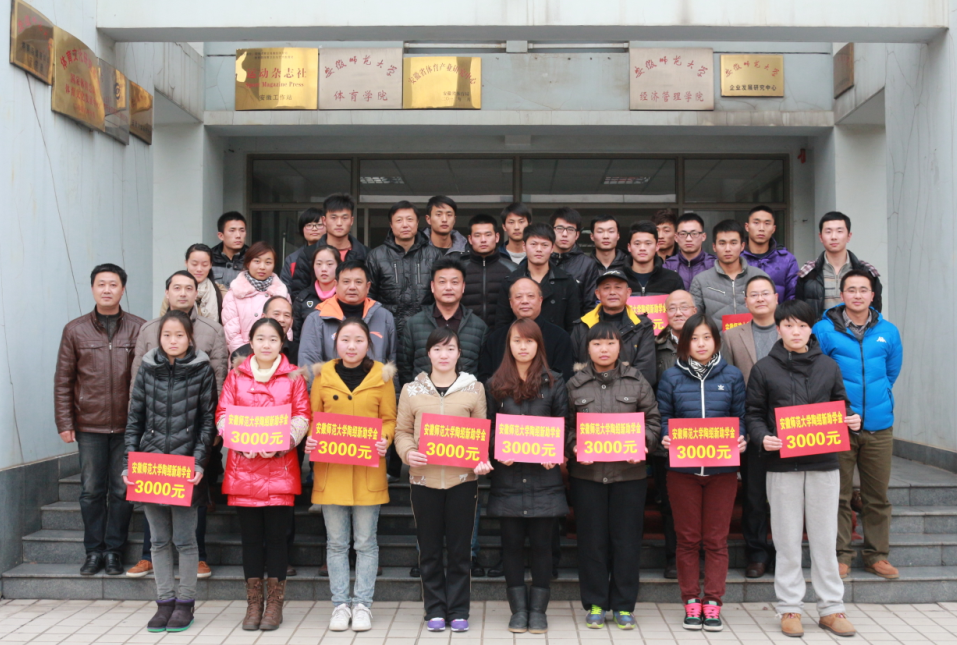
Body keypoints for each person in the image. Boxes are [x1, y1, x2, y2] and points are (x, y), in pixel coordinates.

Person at [746, 299, 861, 638]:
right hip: (782, 466)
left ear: (812, 329)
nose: (795, 331)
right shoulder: (764, 369)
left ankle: (831, 608)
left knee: (825, 539)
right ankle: (789, 608)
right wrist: (762, 437)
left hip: (824, 463)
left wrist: (852, 419)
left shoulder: (828, 365)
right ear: (778, 328)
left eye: (802, 325)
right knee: (786, 539)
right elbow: (753, 413)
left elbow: (842, 405)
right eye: (788, 325)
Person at [126, 271, 228, 581]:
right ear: (167, 292)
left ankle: (198, 559)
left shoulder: (212, 331)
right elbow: (137, 393)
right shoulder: (148, 332)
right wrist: (131, 454)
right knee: (155, 510)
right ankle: (148, 557)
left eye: (188, 287)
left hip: (191, 437)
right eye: (176, 287)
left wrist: (212, 433)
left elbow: (218, 377)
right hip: (153, 442)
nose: (173, 340)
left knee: (191, 511)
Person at [123, 311, 216, 634]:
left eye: (179, 335)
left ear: (190, 337)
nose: (173, 341)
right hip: (151, 467)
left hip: (185, 467)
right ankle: (164, 602)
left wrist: (200, 461)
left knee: (185, 541)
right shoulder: (147, 368)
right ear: (159, 337)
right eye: (167, 335)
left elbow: (207, 421)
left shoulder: (202, 369)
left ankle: (185, 604)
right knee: (159, 541)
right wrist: (128, 462)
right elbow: (134, 419)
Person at [217, 318, 310, 632]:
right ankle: (254, 603)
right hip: (243, 469)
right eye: (260, 338)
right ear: (251, 342)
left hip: (279, 469)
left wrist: (282, 442)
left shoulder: (294, 376)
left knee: (277, 540)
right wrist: (240, 440)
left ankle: (275, 605)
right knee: (251, 541)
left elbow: (302, 415)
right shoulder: (236, 376)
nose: (266, 344)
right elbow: (223, 414)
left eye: (273, 339)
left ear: (282, 343)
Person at [566, 323, 661, 630]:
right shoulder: (575, 385)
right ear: (588, 349)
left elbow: (654, 421)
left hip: (628, 476)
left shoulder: (636, 381)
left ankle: (623, 606)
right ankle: (595, 603)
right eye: (597, 344)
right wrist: (574, 446)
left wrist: (643, 444)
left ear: (620, 347)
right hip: (588, 476)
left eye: (610, 343)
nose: (604, 349)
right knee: (591, 542)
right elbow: (565, 426)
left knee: (627, 542)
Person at [305, 318, 397, 632]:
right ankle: (340, 604)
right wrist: (312, 439)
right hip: (333, 471)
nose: (352, 346)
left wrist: (384, 439)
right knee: (336, 543)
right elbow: (313, 417)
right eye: (345, 340)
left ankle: (363, 605)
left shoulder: (382, 375)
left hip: (368, 471)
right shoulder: (323, 375)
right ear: (336, 342)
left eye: (358, 340)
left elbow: (389, 419)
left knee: (366, 542)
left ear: (368, 343)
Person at [657, 314, 747, 632]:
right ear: (684, 343)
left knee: (716, 540)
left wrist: (742, 437)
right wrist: (665, 435)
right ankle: (691, 601)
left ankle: (713, 602)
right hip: (682, 471)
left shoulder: (732, 376)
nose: (701, 343)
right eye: (694, 338)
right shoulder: (671, 377)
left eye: (707, 337)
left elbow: (740, 416)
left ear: (716, 341)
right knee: (687, 539)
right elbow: (664, 416)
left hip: (722, 471)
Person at [394, 328, 489, 633]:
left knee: (461, 551)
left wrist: (481, 459)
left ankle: (459, 609)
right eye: (437, 349)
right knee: (430, 549)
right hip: (424, 481)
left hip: (463, 481)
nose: (444, 355)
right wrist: (408, 453)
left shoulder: (474, 389)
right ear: (428, 353)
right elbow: (402, 432)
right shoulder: (411, 390)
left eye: (450, 349)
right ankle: (434, 608)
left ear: (459, 353)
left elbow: (481, 434)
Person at [54, 264, 145, 576]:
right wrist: (65, 422)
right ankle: (94, 551)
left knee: (121, 490)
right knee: (91, 490)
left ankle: (114, 551)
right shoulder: (74, 330)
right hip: (89, 424)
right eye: (101, 284)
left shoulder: (139, 328)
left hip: (128, 426)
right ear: (93, 288)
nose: (107, 289)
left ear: (123, 289)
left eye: (113, 284)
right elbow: (63, 380)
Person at [813, 270, 903, 580]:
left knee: (877, 496)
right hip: (838, 425)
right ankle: (841, 555)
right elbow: (817, 373)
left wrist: (879, 398)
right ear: (841, 295)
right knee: (837, 495)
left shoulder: (888, 331)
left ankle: (877, 555)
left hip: (879, 425)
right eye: (851, 289)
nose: (857, 295)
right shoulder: (824, 329)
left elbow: (891, 372)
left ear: (872, 295)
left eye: (863, 290)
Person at [486, 319, 570, 634]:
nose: (523, 347)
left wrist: (556, 450)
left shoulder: (554, 382)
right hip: (508, 478)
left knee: (542, 547)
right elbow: (488, 427)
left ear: (538, 345)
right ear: (508, 345)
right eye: (517, 341)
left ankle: (538, 611)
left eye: (529, 341)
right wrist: (497, 447)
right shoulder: (494, 383)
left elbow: (563, 423)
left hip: (544, 480)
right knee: (510, 546)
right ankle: (518, 611)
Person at [722, 276, 779, 579]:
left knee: (784, 496)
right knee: (754, 495)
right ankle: (756, 553)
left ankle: (783, 552)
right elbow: (728, 382)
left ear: (776, 297)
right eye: (753, 295)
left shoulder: (792, 330)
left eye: (765, 293)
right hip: (751, 424)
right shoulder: (732, 336)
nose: (760, 299)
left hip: (789, 427)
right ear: (745, 301)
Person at [652, 289, 698, 580]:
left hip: (706, 437)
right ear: (665, 313)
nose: (678, 313)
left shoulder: (710, 341)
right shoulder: (654, 346)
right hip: (667, 438)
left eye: (684, 307)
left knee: (701, 504)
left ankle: (700, 558)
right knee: (670, 503)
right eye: (672, 308)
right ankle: (674, 558)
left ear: (695, 311)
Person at [399, 257, 488, 387]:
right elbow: (404, 369)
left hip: (465, 397)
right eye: (442, 282)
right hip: (424, 396)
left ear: (463, 287)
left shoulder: (479, 327)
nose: (448, 287)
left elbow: (484, 372)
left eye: (454, 282)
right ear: (432, 286)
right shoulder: (414, 324)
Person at [298, 260, 397, 372]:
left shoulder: (384, 317)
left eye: (358, 282)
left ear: (368, 286)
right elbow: (308, 364)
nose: (352, 287)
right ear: (336, 285)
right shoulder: (316, 319)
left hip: (376, 383)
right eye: (346, 282)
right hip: (330, 383)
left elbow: (392, 362)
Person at [367, 201, 444, 337]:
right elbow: (369, 295)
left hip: (426, 329)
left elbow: (441, 295)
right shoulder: (376, 256)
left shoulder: (434, 255)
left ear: (417, 223)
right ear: (391, 225)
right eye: (399, 220)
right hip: (387, 330)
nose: (405, 225)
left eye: (409, 219)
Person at [478, 278, 575, 384]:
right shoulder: (496, 338)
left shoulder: (559, 337)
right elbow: (486, 378)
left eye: (530, 296)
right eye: (518, 296)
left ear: (540, 300)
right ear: (511, 302)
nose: (524, 301)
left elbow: (563, 379)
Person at [570, 269, 657, 387]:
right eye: (606, 288)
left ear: (628, 292)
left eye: (618, 287)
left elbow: (646, 371)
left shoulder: (642, 326)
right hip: (589, 394)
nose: (612, 292)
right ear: (598, 294)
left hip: (630, 395)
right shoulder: (582, 326)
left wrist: (618, 394)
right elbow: (573, 371)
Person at [496, 224, 581, 331]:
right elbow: (502, 323)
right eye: (533, 244)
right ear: (524, 246)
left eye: (545, 245)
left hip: (556, 340)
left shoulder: (566, 281)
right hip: (520, 339)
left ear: (552, 248)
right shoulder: (511, 280)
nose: (539, 249)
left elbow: (573, 324)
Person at [797, 212, 883, 316]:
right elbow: (800, 310)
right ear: (820, 237)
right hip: (818, 326)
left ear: (849, 236)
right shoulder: (808, 272)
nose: (834, 237)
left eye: (839, 231)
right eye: (828, 232)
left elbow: (875, 309)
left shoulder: (866, 271)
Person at [690, 220, 770, 328]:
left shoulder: (759, 277)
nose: (728, 249)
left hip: (754, 338)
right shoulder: (701, 281)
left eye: (733, 243)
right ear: (714, 247)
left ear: (742, 246)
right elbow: (694, 321)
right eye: (722, 243)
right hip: (717, 339)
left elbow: (771, 315)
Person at [288, 194, 370, 296]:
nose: (339, 223)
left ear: (352, 220)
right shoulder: (308, 254)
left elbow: (371, 292)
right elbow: (298, 294)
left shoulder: (366, 255)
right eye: (333, 217)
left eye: (344, 218)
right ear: (324, 220)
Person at [222, 242, 291, 354]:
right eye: (257, 261)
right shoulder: (234, 294)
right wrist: (247, 357)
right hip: (244, 357)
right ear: (248, 263)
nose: (262, 267)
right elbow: (232, 334)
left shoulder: (282, 294)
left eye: (268, 262)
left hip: (277, 357)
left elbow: (288, 330)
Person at [459, 213, 518, 328]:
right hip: (466, 333)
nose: (483, 240)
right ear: (470, 239)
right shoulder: (459, 269)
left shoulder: (512, 269)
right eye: (477, 235)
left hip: (502, 333)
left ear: (497, 237)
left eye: (488, 235)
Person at [741, 205, 798, 302]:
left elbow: (792, 297)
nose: (761, 228)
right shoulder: (736, 258)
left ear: (773, 229)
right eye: (756, 223)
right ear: (747, 227)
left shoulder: (787, 260)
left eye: (767, 223)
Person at [160, 244, 228, 323]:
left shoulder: (221, 292)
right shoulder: (174, 292)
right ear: (186, 263)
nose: (199, 269)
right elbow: (162, 323)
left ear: (210, 265)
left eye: (204, 265)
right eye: (194, 264)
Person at [550, 207, 600, 312]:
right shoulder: (541, 260)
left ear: (577, 235)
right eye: (559, 228)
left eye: (570, 229)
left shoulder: (587, 264)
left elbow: (591, 306)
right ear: (551, 231)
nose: (564, 234)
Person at [231, 297, 299, 367]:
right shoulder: (241, 355)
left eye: (287, 315)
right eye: (276, 314)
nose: (281, 319)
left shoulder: (298, 353)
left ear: (291, 321)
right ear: (264, 317)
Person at [291, 244, 340, 342]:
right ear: (313, 266)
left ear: (339, 266)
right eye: (319, 264)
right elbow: (296, 337)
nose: (324, 269)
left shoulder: (345, 296)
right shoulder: (302, 298)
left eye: (329, 264)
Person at [623, 222, 685, 297]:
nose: (642, 248)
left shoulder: (673, 279)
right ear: (629, 247)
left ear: (657, 246)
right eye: (637, 244)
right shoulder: (617, 279)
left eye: (648, 243)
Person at [663, 213, 715, 290]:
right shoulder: (667, 267)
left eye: (694, 234)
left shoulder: (715, 265)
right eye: (683, 234)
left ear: (703, 236)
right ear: (676, 237)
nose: (688, 239)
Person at [279, 207, 325, 290]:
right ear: (302, 229)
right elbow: (285, 289)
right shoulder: (292, 259)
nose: (314, 228)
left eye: (319, 225)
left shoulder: (336, 254)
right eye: (309, 225)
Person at [211, 212, 248, 288]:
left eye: (242, 230)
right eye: (232, 230)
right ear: (221, 236)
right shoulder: (209, 258)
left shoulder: (253, 258)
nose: (238, 235)